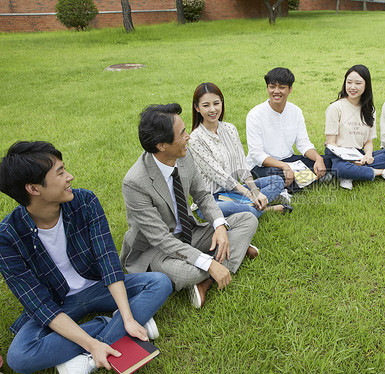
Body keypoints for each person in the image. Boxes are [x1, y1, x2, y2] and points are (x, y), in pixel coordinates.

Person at [0, 141, 172, 374]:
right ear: (34, 189)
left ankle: (121, 323)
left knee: (159, 282)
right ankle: (110, 325)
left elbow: (108, 261)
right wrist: (92, 344)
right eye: (60, 172)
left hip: (98, 286)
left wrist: (128, 316)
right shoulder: (7, 237)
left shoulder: (85, 202)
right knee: (19, 358)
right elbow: (39, 304)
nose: (70, 176)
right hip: (57, 304)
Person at [121, 103, 259, 310]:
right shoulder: (135, 183)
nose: (189, 137)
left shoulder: (185, 156)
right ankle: (227, 255)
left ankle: (207, 279)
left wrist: (220, 227)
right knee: (189, 273)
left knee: (248, 219)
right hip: (157, 250)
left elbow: (203, 196)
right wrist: (210, 264)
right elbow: (160, 239)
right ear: (161, 145)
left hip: (190, 232)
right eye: (182, 133)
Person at [189, 82, 291, 218]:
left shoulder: (230, 129)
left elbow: (242, 165)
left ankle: (254, 203)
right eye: (206, 105)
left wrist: (254, 191)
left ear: (222, 103)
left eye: (216, 103)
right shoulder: (195, 138)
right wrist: (251, 194)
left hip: (236, 191)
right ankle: (264, 208)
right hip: (212, 199)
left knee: (277, 181)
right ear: (197, 108)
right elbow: (220, 176)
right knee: (249, 212)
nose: (212, 110)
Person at [246, 67, 331, 195]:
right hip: (263, 165)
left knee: (327, 160)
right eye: (272, 87)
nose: (276, 91)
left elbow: (303, 143)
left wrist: (318, 159)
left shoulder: (296, 111)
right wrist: (284, 167)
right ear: (267, 88)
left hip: (289, 160)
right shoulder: (255, 115)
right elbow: (257, 154)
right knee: (278, 176)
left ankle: (287, 186)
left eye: (281, 87)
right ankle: (301, 182)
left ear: (290, 89)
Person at [323, 64, 385, 190]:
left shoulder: (369, 110)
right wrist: (350, 160)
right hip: (338, 155)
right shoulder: (335, 108)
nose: (352, 87)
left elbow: (368, 141)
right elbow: (330, 143)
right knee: (339, 168)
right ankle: (381, 172)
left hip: (358, 153)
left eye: (358, 83)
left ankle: (351, 174)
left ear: (366, 85)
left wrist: (368, 155)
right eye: (349, 82)